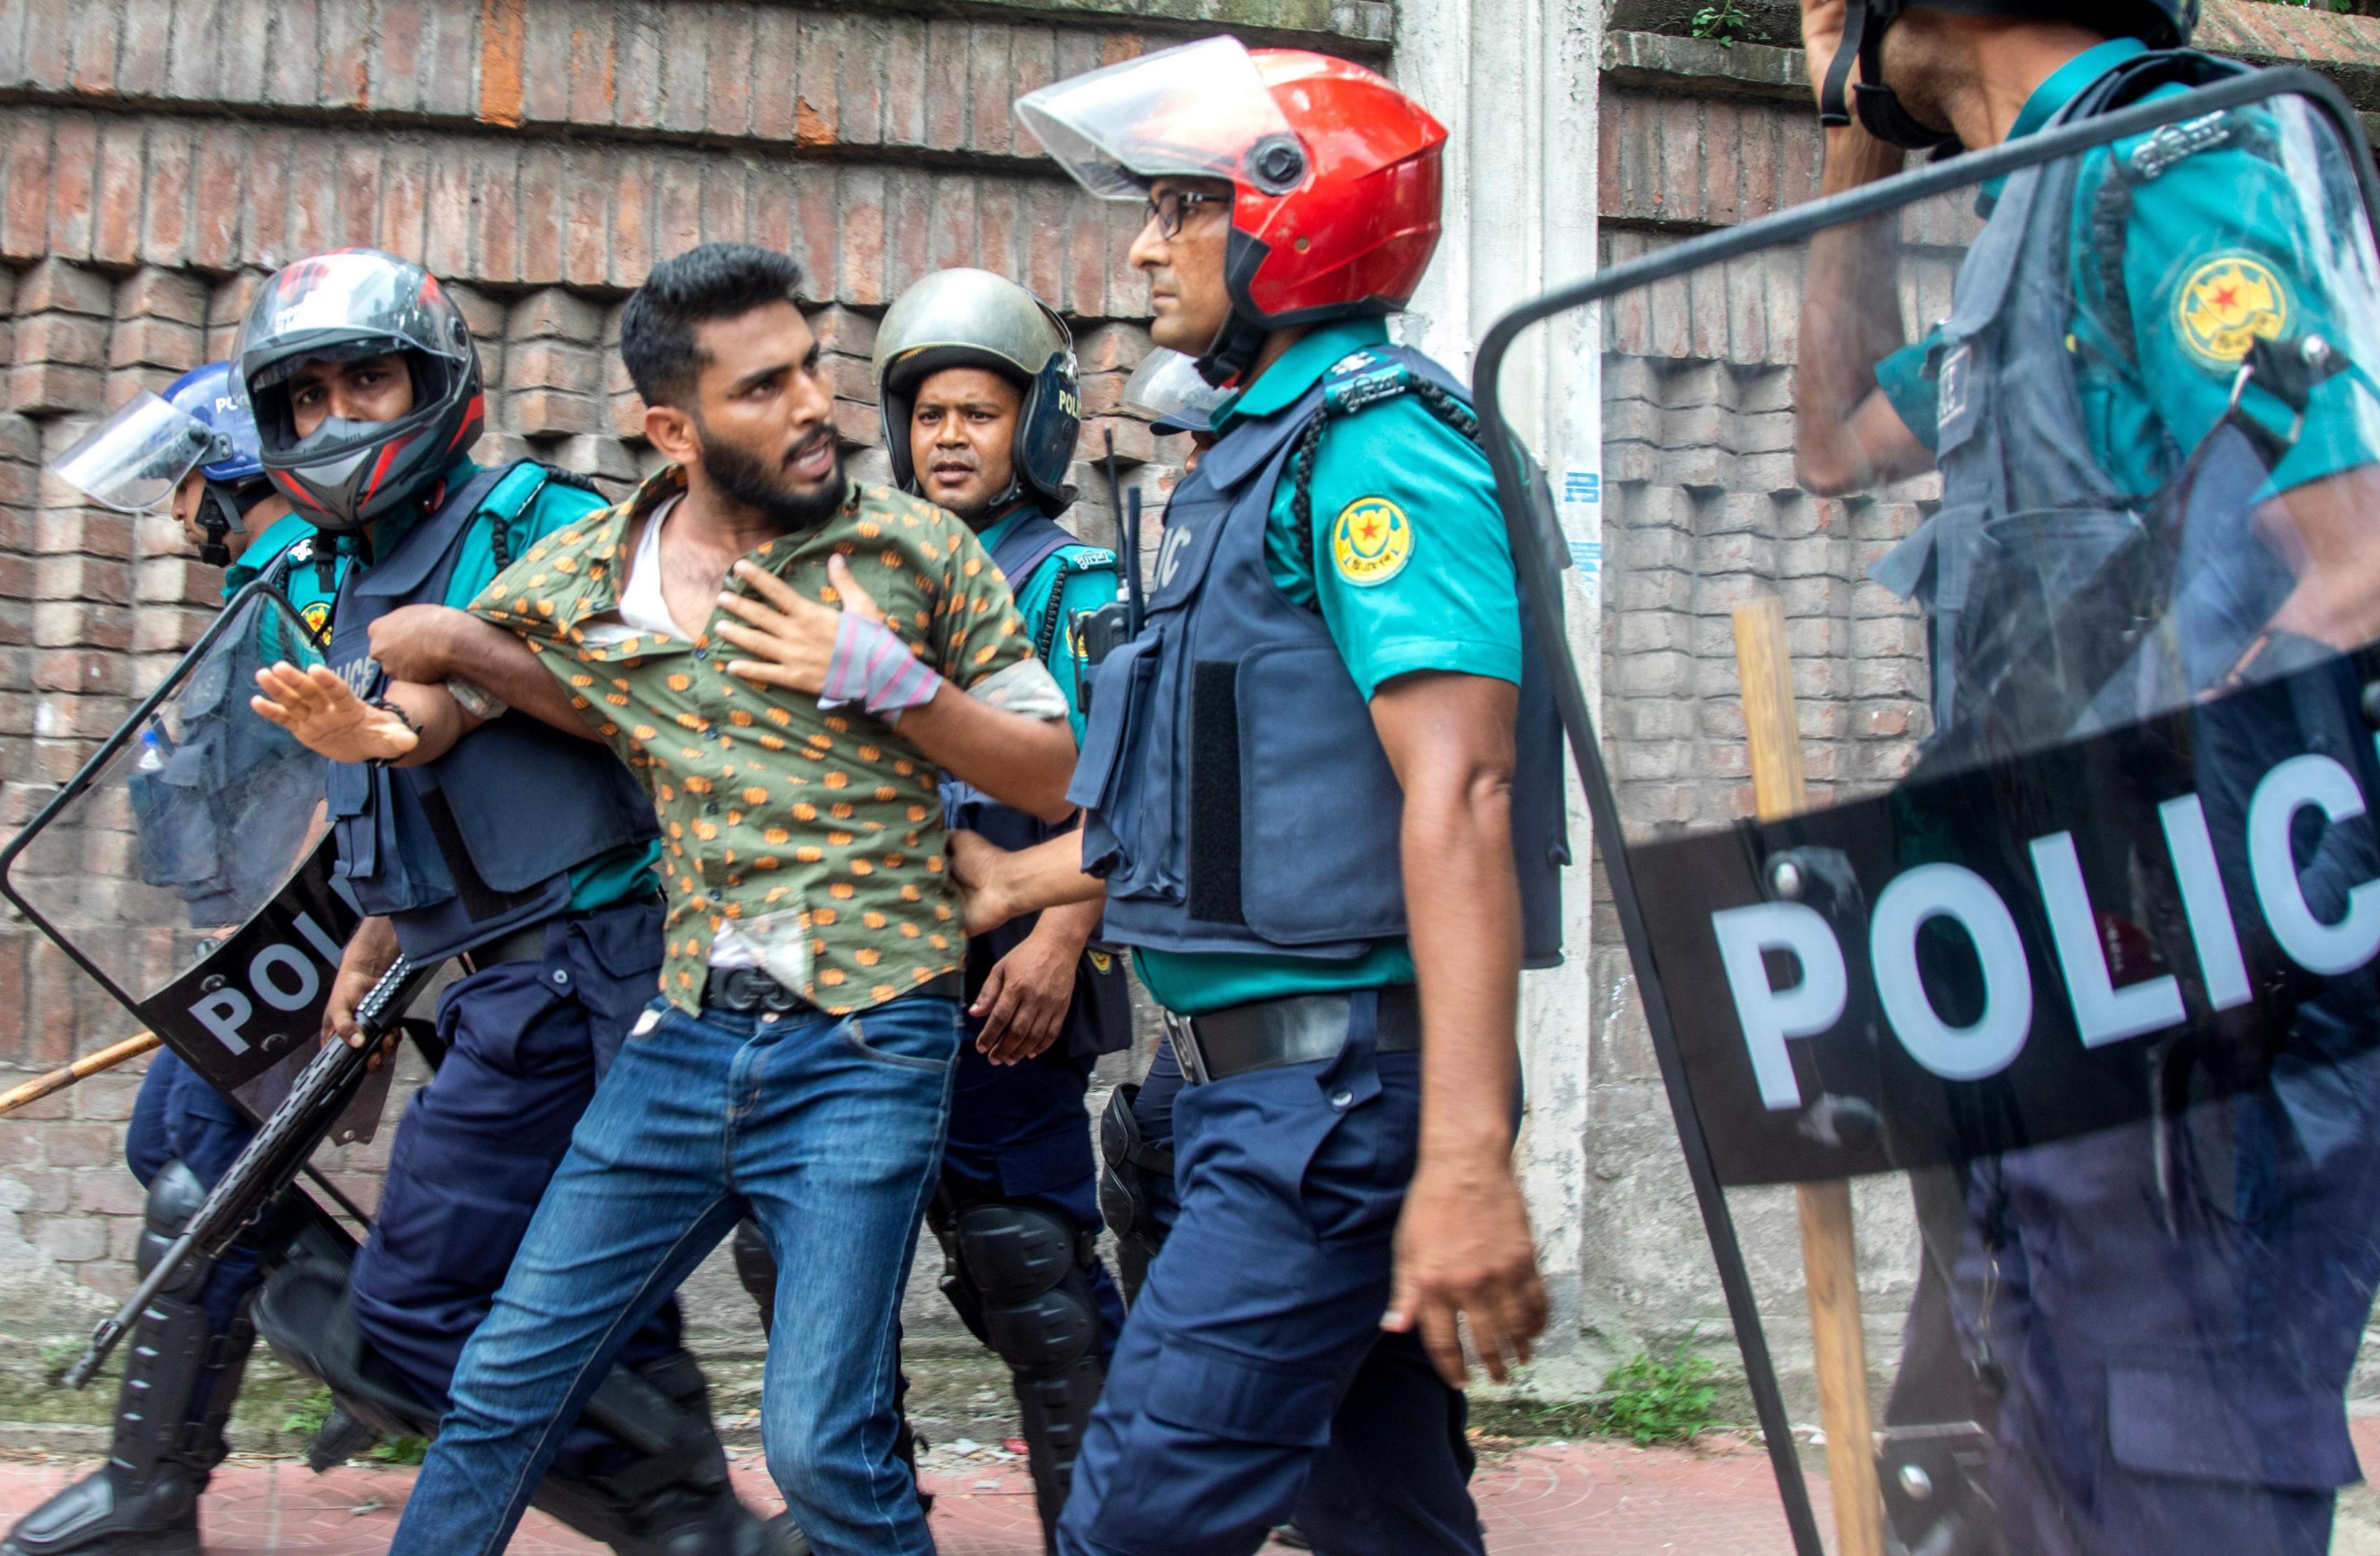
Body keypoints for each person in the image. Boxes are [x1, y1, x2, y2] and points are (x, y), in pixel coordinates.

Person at [248, 242, 1083, 1556]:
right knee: (502, 1389)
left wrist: (884, 677)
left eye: (812, 368)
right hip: (685, 1036)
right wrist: (380, 732)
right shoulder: (593, 569)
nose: (815, 405)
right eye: (765, 388)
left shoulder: (912, 554)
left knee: (820, 1441)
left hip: (868, 1036)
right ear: (671, 429)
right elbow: (469, 691)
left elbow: (1058, 767)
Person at [1790, 1, 2380, 1549]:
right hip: (2085, 1017)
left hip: (2206, 1013)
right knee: (2041, 1471)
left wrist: (2166, 882)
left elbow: (2377, 565)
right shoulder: (2051, 219)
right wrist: (1850, 138)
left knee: (2170, 1477)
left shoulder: (2177, 165)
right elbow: (1833, 439)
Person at [948, 37, 1569, 1555]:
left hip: (1328, 1105)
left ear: (1301, 218)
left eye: (1185, 207)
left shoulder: (1375, 447)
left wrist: (1475, 1157)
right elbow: (1233, 787)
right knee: (1385, 1527)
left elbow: (1467, 785)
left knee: (1135, 1528)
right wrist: (1031, 881)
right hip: (1262, 1097)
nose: (1147, 245)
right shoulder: (1249, 452)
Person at [215, 246, 778, 1556]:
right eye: (305, 398)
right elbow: (395, 796)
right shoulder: (309, 580)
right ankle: (700, 1522)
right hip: (489, 971)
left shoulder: (544, 522)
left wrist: (461, 668)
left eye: (367, 378)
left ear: (436, 380)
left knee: (411, 1305)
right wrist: (367, 941)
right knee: (600, 1282)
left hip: (613, 951)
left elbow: (670, 705)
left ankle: (690, 1515)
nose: (338, 417)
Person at [742, 266, 1134, 1544]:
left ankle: (1113, 1531)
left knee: (1028, 1267)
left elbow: (1132, 790)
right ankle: (861, 1513)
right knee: (800, 1260)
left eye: (978, 411)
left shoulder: (1076, 589)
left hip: (1009, 988)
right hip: (859, 987)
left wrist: (1063, 938)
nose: (949, 437)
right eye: (928, 415)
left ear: (1041, 425)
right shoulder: (866, 574)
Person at [1, 362, 341, 1556]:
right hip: (252, 951)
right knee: (173, 1151)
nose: (177, 504)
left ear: (236, 473)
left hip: (293, 954)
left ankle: (151, 1494)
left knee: (201, 1174)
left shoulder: (306, 584)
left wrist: (274, 955)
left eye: (188, 478)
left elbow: (333, 789)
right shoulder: (269, 583)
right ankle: (371, 1363)